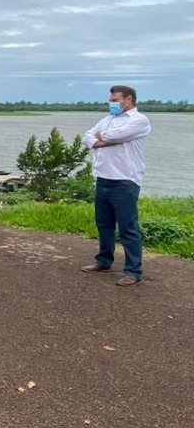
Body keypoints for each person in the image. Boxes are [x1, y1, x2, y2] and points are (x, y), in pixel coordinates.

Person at [81, 85, 151, 286]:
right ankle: (103, 261)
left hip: (124, 180)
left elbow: (113, 136)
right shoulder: (108, 119)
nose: (111, 103)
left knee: (128, 228)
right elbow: (88, 136)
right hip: (103, 178)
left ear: (128, 100)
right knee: (104, 224)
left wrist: (103, 138)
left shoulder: (139, 120)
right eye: (110, 100)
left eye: (115, 100)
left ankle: (133, 271)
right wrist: (100, 140)